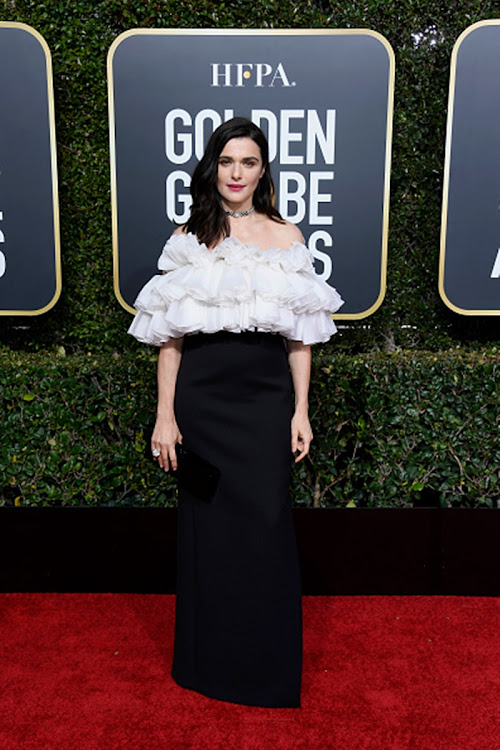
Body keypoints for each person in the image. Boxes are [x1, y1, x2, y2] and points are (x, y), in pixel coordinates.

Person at [128, 117, 343, 708]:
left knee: (267, 529)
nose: (237, 174)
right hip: (203, 397)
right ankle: (206, 663)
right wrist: (164, 415)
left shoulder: (287, 235)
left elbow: (300, 339)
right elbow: (169, 339)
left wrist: (301, 410)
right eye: (227, 162)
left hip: (264, 397)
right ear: (212, 168)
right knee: (209, 534)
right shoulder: (187, 237)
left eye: (248, 163)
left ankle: (265, 671)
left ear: (263, 170)